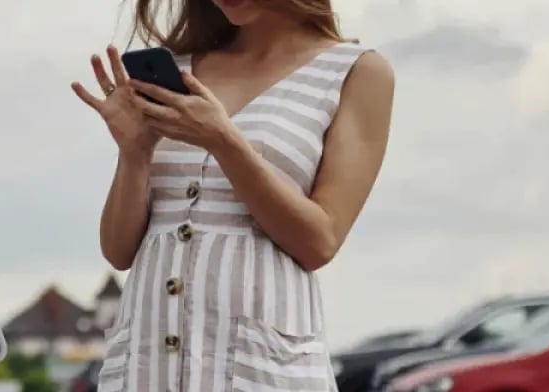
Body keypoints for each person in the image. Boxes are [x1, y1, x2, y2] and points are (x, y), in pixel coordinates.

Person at [70, 0, 395, 390]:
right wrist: (134, 153)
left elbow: (319, 242)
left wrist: (224, 141)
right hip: (144, 370)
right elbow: (119, 251)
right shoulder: (175, 71)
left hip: (263, 373)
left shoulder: (356, 72)